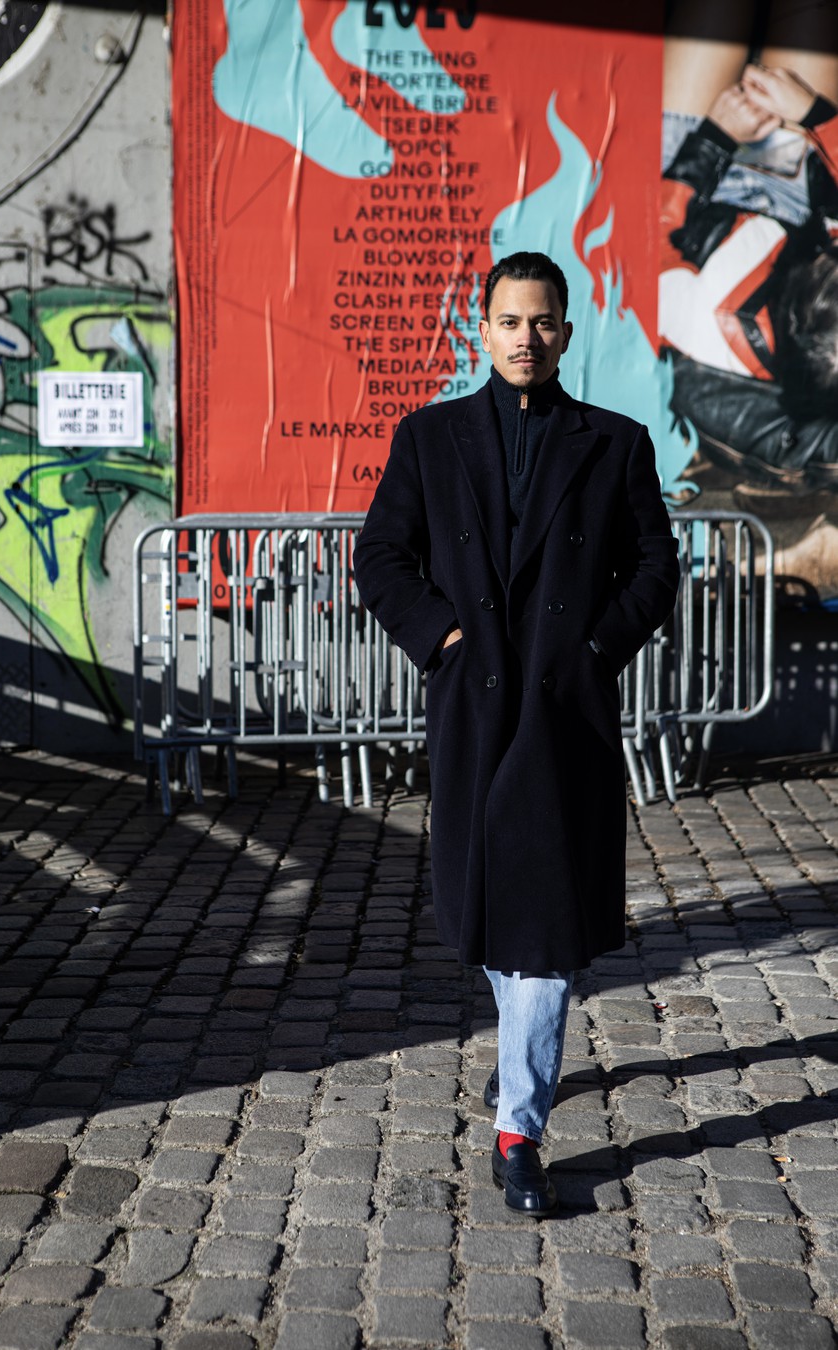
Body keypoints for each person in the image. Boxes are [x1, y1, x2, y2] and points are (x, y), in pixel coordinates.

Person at [353, 252, 679, 1215]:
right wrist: (444, 639)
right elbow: (382, 556)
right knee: (495, 914)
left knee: (538, 929)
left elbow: (655, 565)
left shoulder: (614, 443)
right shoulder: (431, 437)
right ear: (482, 328)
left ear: (567, 332)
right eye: (509, 321)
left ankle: (518, 1131)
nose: (526, 338)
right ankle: (523, 1059)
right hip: (473, 706)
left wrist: (596, 648)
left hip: (564, 711)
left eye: (542, 322)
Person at [660, 63, 838, 486]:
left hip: (689, 176)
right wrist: (816, 115)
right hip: (796, 190)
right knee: (792, 61)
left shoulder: (691, 324)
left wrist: (714, 137)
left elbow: (650, 234)